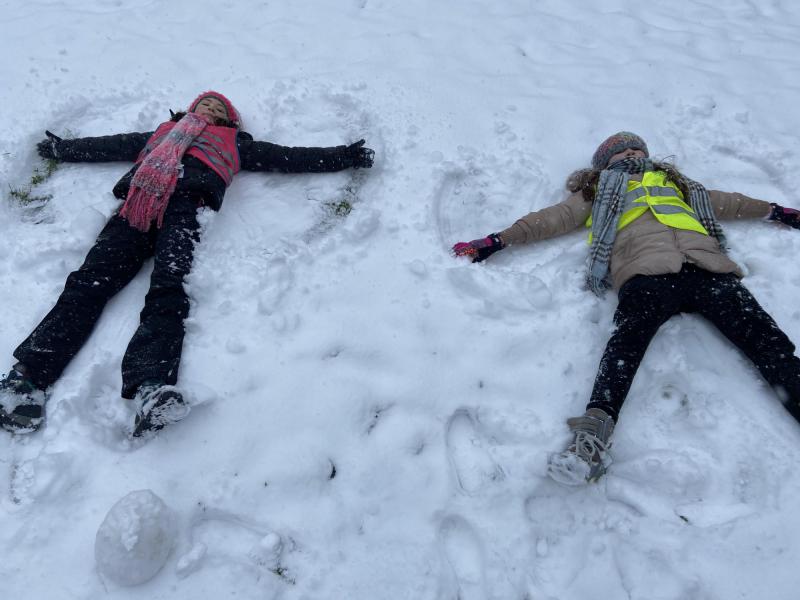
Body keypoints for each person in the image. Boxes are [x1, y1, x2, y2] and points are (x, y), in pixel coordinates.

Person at [0, 90, 374, 437]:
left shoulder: (236, 144)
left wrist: (343, 156)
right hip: (136, 205)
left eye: (218, 108)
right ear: (189, 109)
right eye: (204, 104)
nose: (209, 110)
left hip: (187, 210)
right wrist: (63, 149)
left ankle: (151, 389)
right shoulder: (162, 132)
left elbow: (289, 157)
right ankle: (27, 378)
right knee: (90, 282)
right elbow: (111, 144)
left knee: (169, 287)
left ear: (231, 122)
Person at [452, 131, 800, 484]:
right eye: (622, 151)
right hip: (646, 273)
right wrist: (498, 240)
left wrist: (776, 211)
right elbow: (553, 218)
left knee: (768, 342)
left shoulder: (677, 186)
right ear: (605, 163)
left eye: (637, 147)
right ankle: (590, 443)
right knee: (625, 345)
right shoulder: (598, 190)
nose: (632, 152)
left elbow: (727, 202)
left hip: (709, 269)